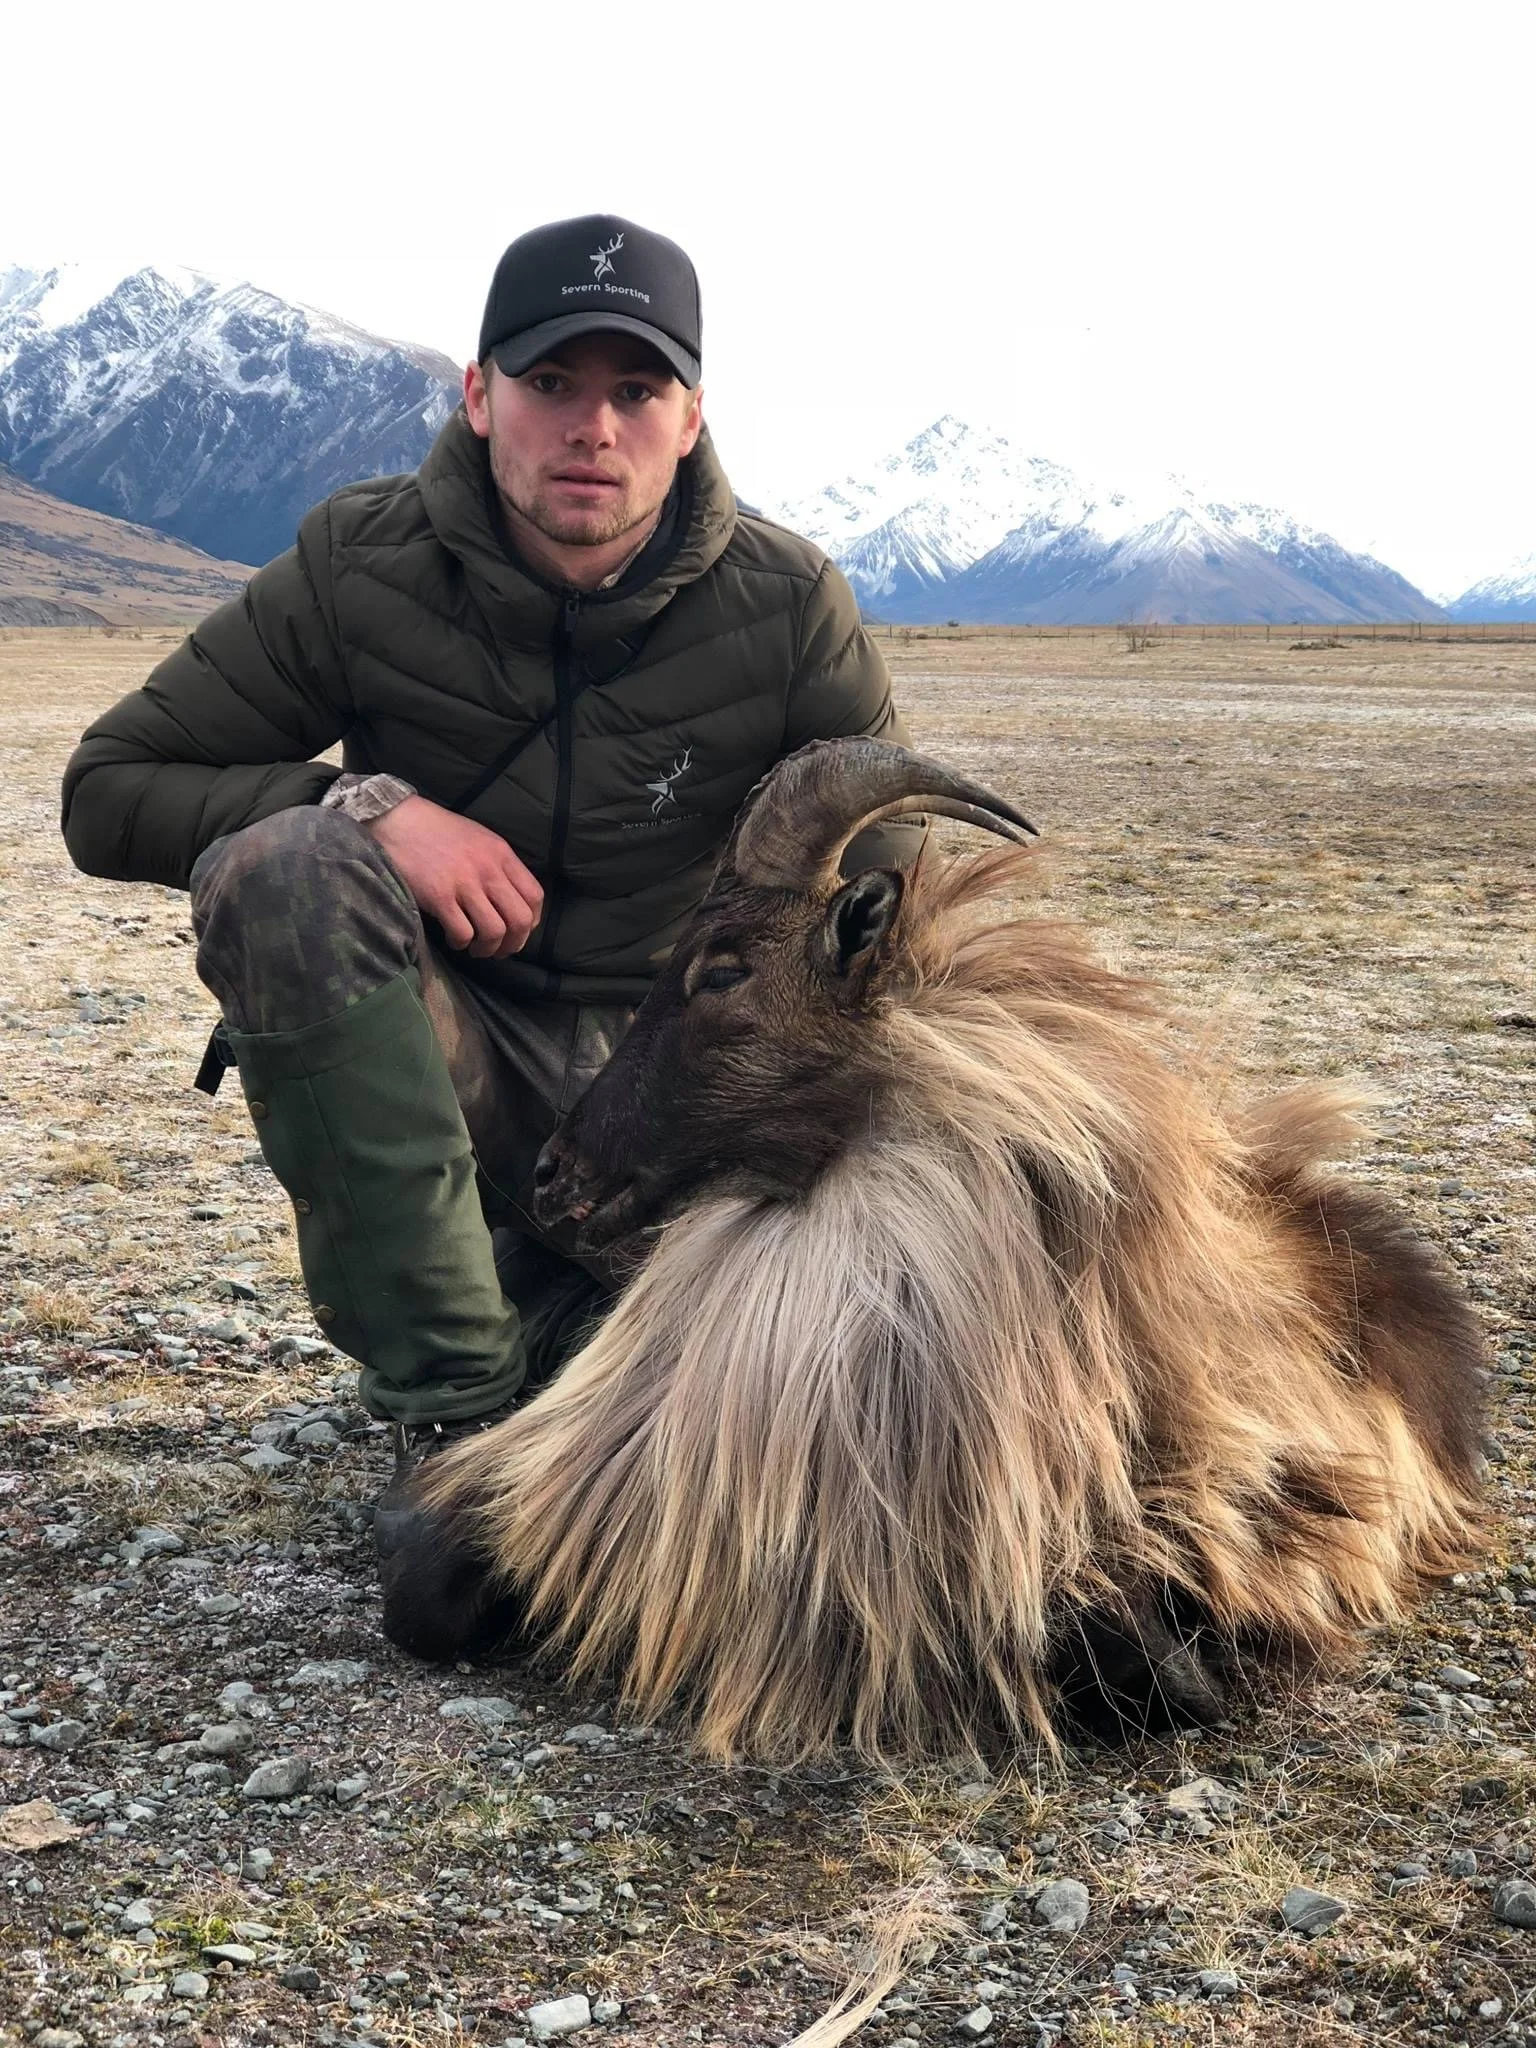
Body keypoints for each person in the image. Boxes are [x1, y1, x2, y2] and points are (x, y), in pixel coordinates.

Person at [59, 213, 921, 1573]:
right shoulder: (358, 565)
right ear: (478, 395)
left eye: (637, 389)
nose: (594, 428)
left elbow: (889, 909)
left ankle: (640, 1326)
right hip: (454, 1065)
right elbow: (110, 788)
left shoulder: (789, 604)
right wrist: (370, 807)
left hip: (674, 1090)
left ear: (691, 419)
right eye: (551, 382)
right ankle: (453, 1405)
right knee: (286, 871)